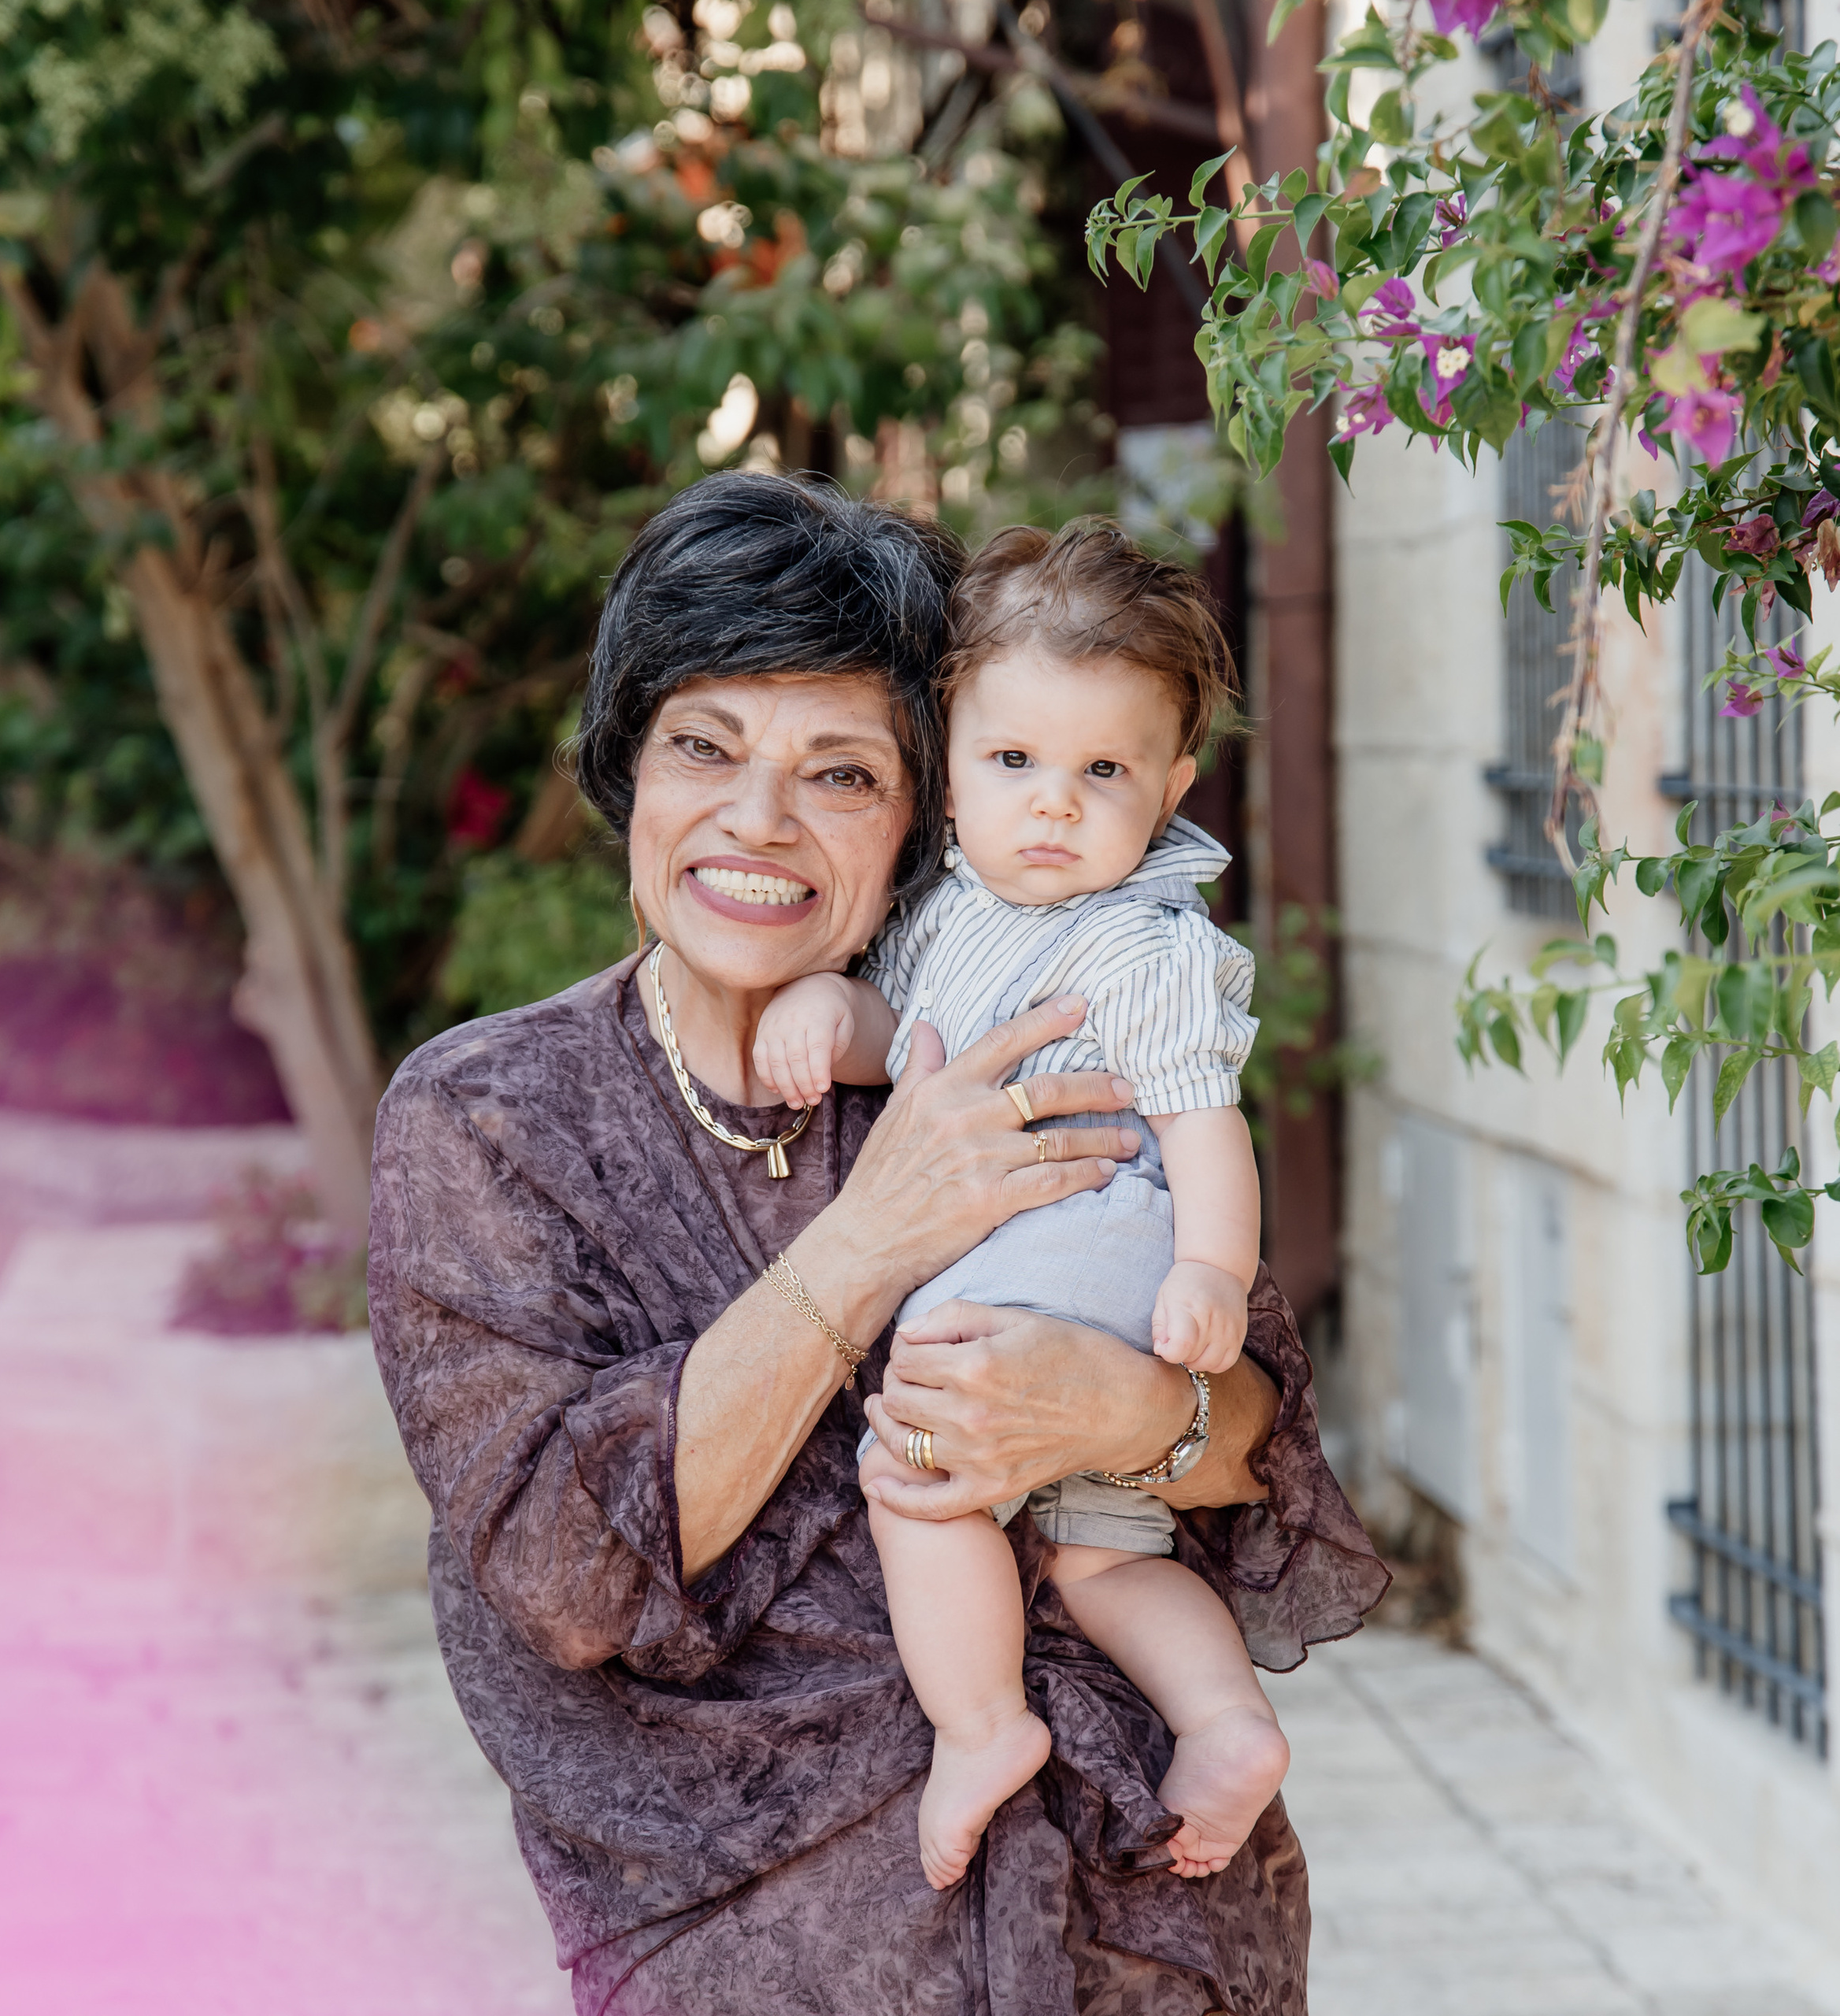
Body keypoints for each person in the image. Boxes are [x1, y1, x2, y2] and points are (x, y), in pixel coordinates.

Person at [368, 472, 1389, 2016]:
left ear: (923, 805)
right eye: (702, 746)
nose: (758, 822)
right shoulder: (495, 1120)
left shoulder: (1018, 1025)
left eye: (839, 772)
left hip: (1137, 1925)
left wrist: (1123, 1411)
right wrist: (868, 1240)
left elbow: (1258, 1442)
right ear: (624, 770)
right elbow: (568, 1574)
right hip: (770, 1953)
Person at [750, 521, 1287, 1895]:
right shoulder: (949, 909)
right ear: (951, 768)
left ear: (1170, 788)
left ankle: (982, 1726)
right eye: (1014, 763)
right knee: (1103, 1555)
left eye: (1101, 772)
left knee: (921, 1480)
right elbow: (903, 1032)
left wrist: (1217, 1270)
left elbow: (1200, 1123)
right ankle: (1226, 1724)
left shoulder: (1141, 943)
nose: (1053, 805)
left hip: (1083, 1239)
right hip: (1077, 1273)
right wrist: (831, 1009)